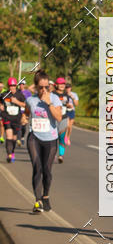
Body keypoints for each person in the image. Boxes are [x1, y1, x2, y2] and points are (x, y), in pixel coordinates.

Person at [24, 70, 62, 212]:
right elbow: (27, 112)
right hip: (34, 137)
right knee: (37, 167)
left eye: (47, 87)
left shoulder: (55, 99)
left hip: (51, 138)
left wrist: (49, 103)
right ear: (35, 86)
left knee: (47, 170)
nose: (44, 90)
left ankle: (45, 196)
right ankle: (38, 200)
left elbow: (58, 117)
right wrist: (24, 118)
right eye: (41, 87)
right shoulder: (31, 100)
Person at [1, 78, 27, 162]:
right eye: (10, 86)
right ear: (8, 86)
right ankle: (9, 155)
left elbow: (25, 105)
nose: (12, 87)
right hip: (7, 117)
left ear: (16, 86)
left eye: (13, 86)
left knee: (14, 138)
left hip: (17, 119)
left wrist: (16, 102)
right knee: (8, 136)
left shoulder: (20, 95)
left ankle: (12, 152)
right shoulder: (4, 94)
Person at [53, 77, 74, 164]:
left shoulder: (66, 95)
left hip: (63, 118)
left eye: (63, 84)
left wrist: (69, 105)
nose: (62, 86)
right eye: (60, 84)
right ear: (56, 85)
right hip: (53, 119)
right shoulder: (52, 95)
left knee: (62, 137)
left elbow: (70, 105)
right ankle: (52, 154)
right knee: (53, 138)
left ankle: (61, 155)